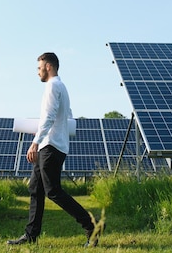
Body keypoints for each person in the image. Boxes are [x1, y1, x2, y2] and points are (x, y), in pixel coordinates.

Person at [7, 52, 102, 247]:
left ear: (48, 66)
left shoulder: (52, 87)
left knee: (53, 191)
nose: (37, 72)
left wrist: (35, 143)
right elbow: (68, 116)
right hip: (49, 145)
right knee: (35, 188)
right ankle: (31, 235)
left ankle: (91, 226)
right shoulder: (61, 87)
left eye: (39, 67)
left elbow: (48, 118)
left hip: (50, 146)